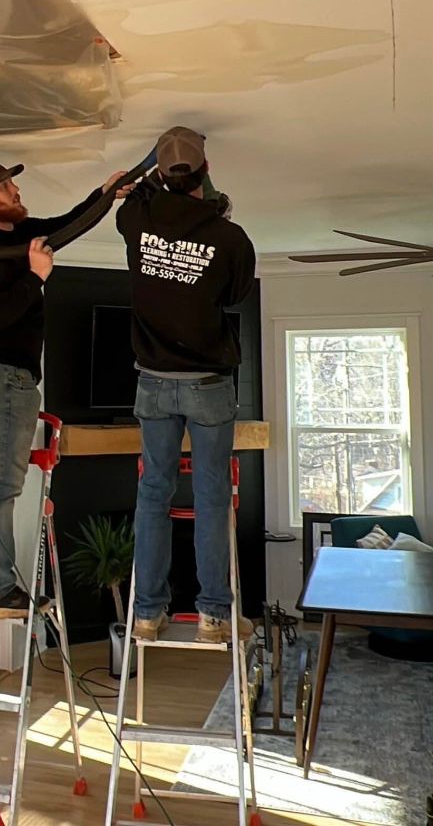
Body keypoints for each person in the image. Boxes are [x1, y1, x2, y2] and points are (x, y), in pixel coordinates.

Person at [0, 157, 131, 620]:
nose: (15, 191)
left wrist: (105, 192)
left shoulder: (17, 236)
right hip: (0, 379)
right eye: (6, 186)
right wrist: (36, 278)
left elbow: (66, 224)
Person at [116, 126, 256, 643]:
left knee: (153, 494)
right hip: (207, 384)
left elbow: (132, 200)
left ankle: (148, 615)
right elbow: (236, 295)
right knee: (212, 494)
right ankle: (215, 616)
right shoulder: (230, 238)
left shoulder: (136, 219)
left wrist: (144, 184)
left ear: (160, 177)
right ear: (205, 174)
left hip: (152, 383)